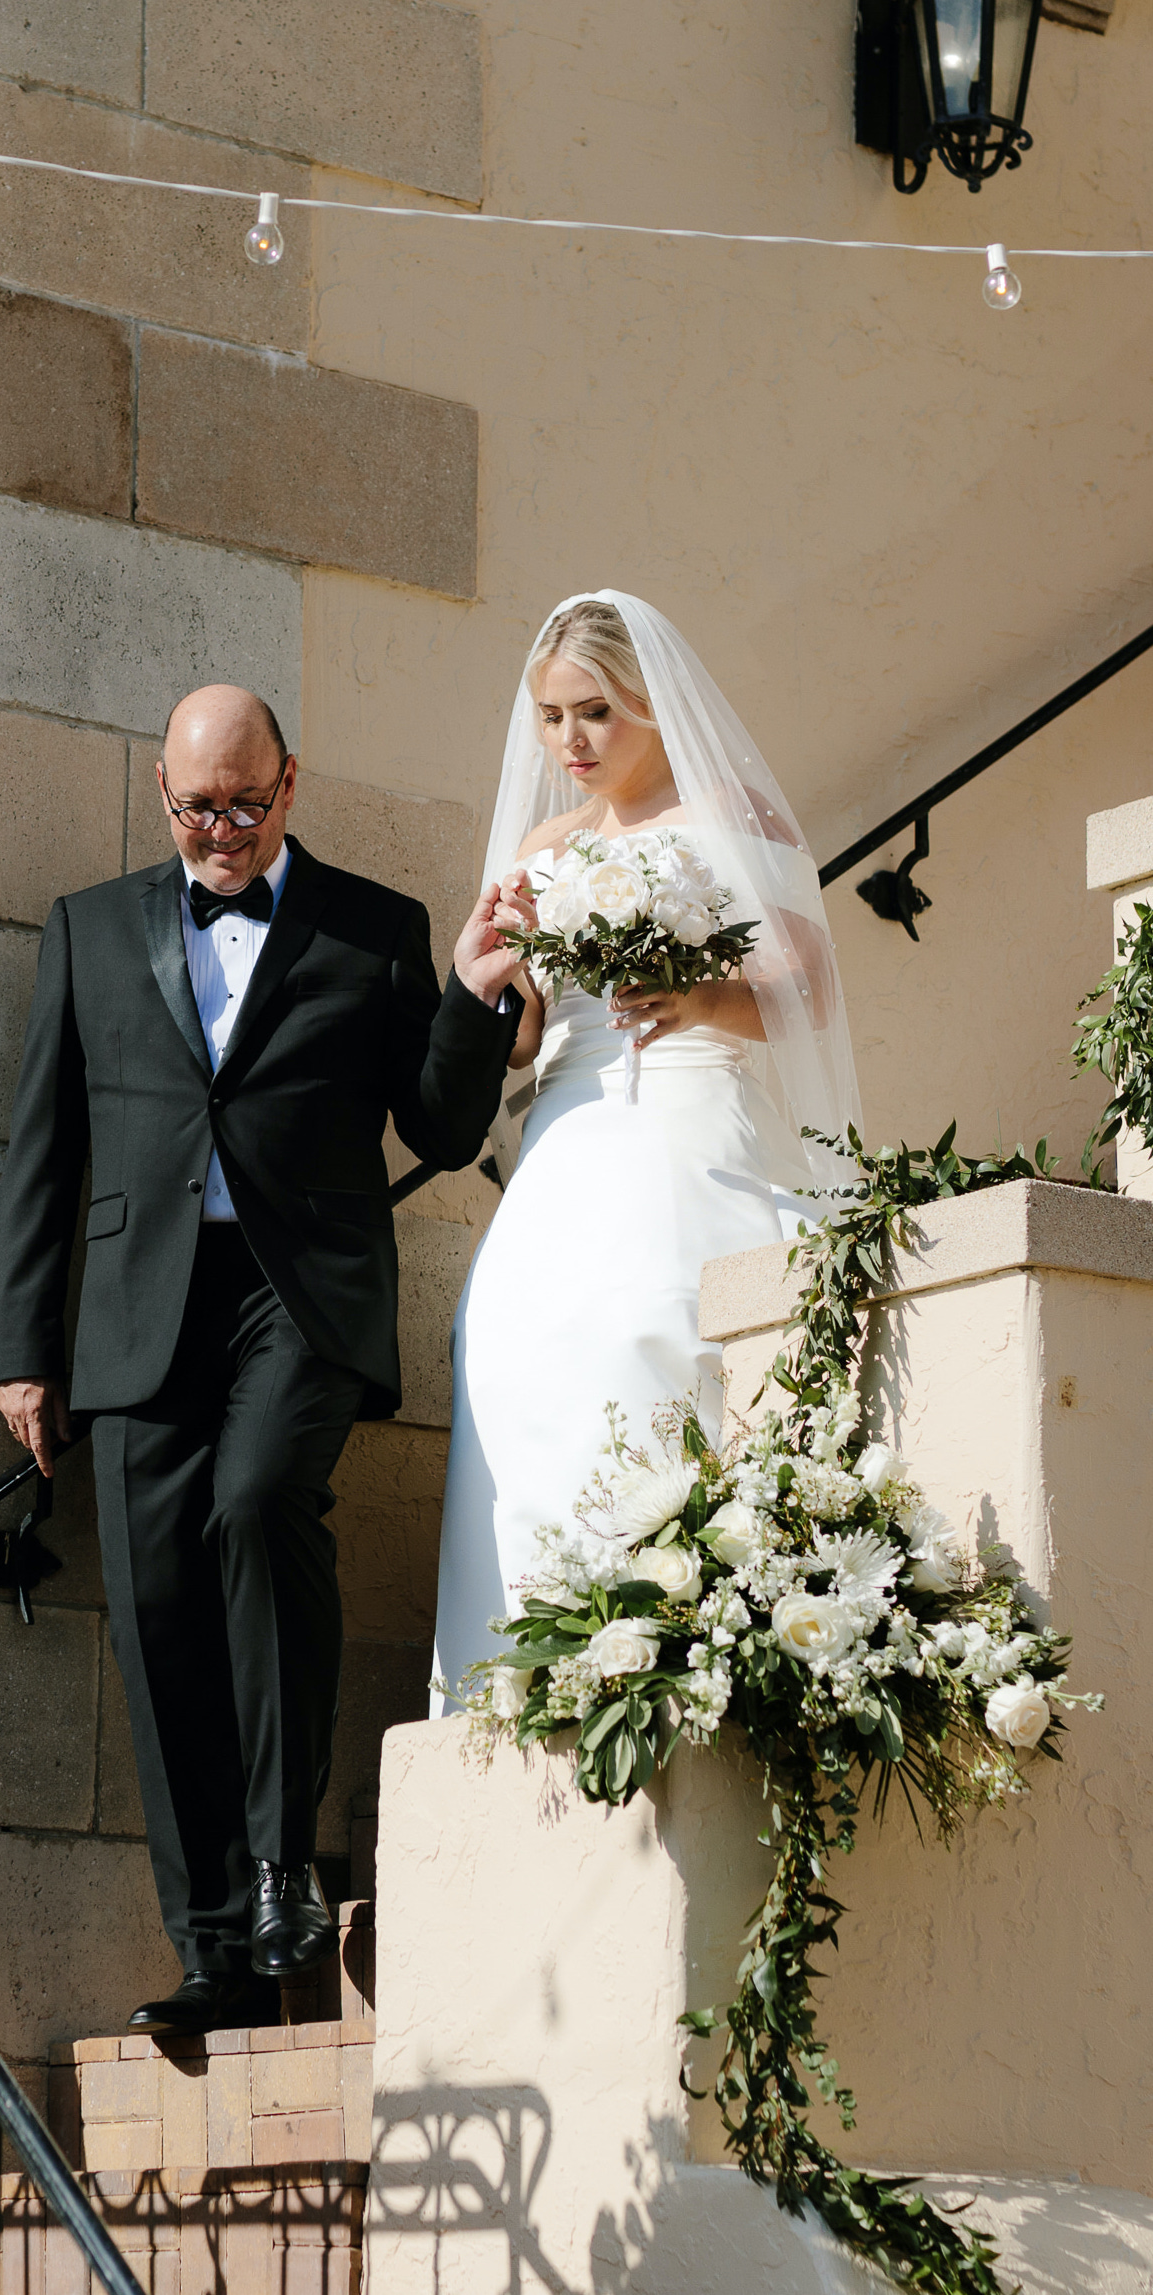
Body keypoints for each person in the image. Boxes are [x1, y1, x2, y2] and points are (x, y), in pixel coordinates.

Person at [0, 685, 525, 2035]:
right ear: (162, 792)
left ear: (290, 782)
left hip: (300, 1295)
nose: (217, 831)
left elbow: (444, 1128)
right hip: (133, 1312)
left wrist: (467, 990)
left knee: (254, 1500)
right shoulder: (89, 928)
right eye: (191, 807)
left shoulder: (371, 927)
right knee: (160, 1605)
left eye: (241, 802)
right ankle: (214, 1948)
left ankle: (285, 1858)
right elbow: (41, 1151)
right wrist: (21, 1350)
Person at [431, 593, 862, 1709]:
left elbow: (807, 985)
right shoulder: (542, 846)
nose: (568, 743)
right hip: (566, 1129)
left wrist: (705, 993)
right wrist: (489, 983)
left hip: (681, 1114)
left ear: (651, 707)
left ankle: (671, 1642)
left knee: (647, 1325)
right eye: (549, 717)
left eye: (595, 713)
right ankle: (526, 1672)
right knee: (514, 1349)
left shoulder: (730, 817)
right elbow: (529, 1035)